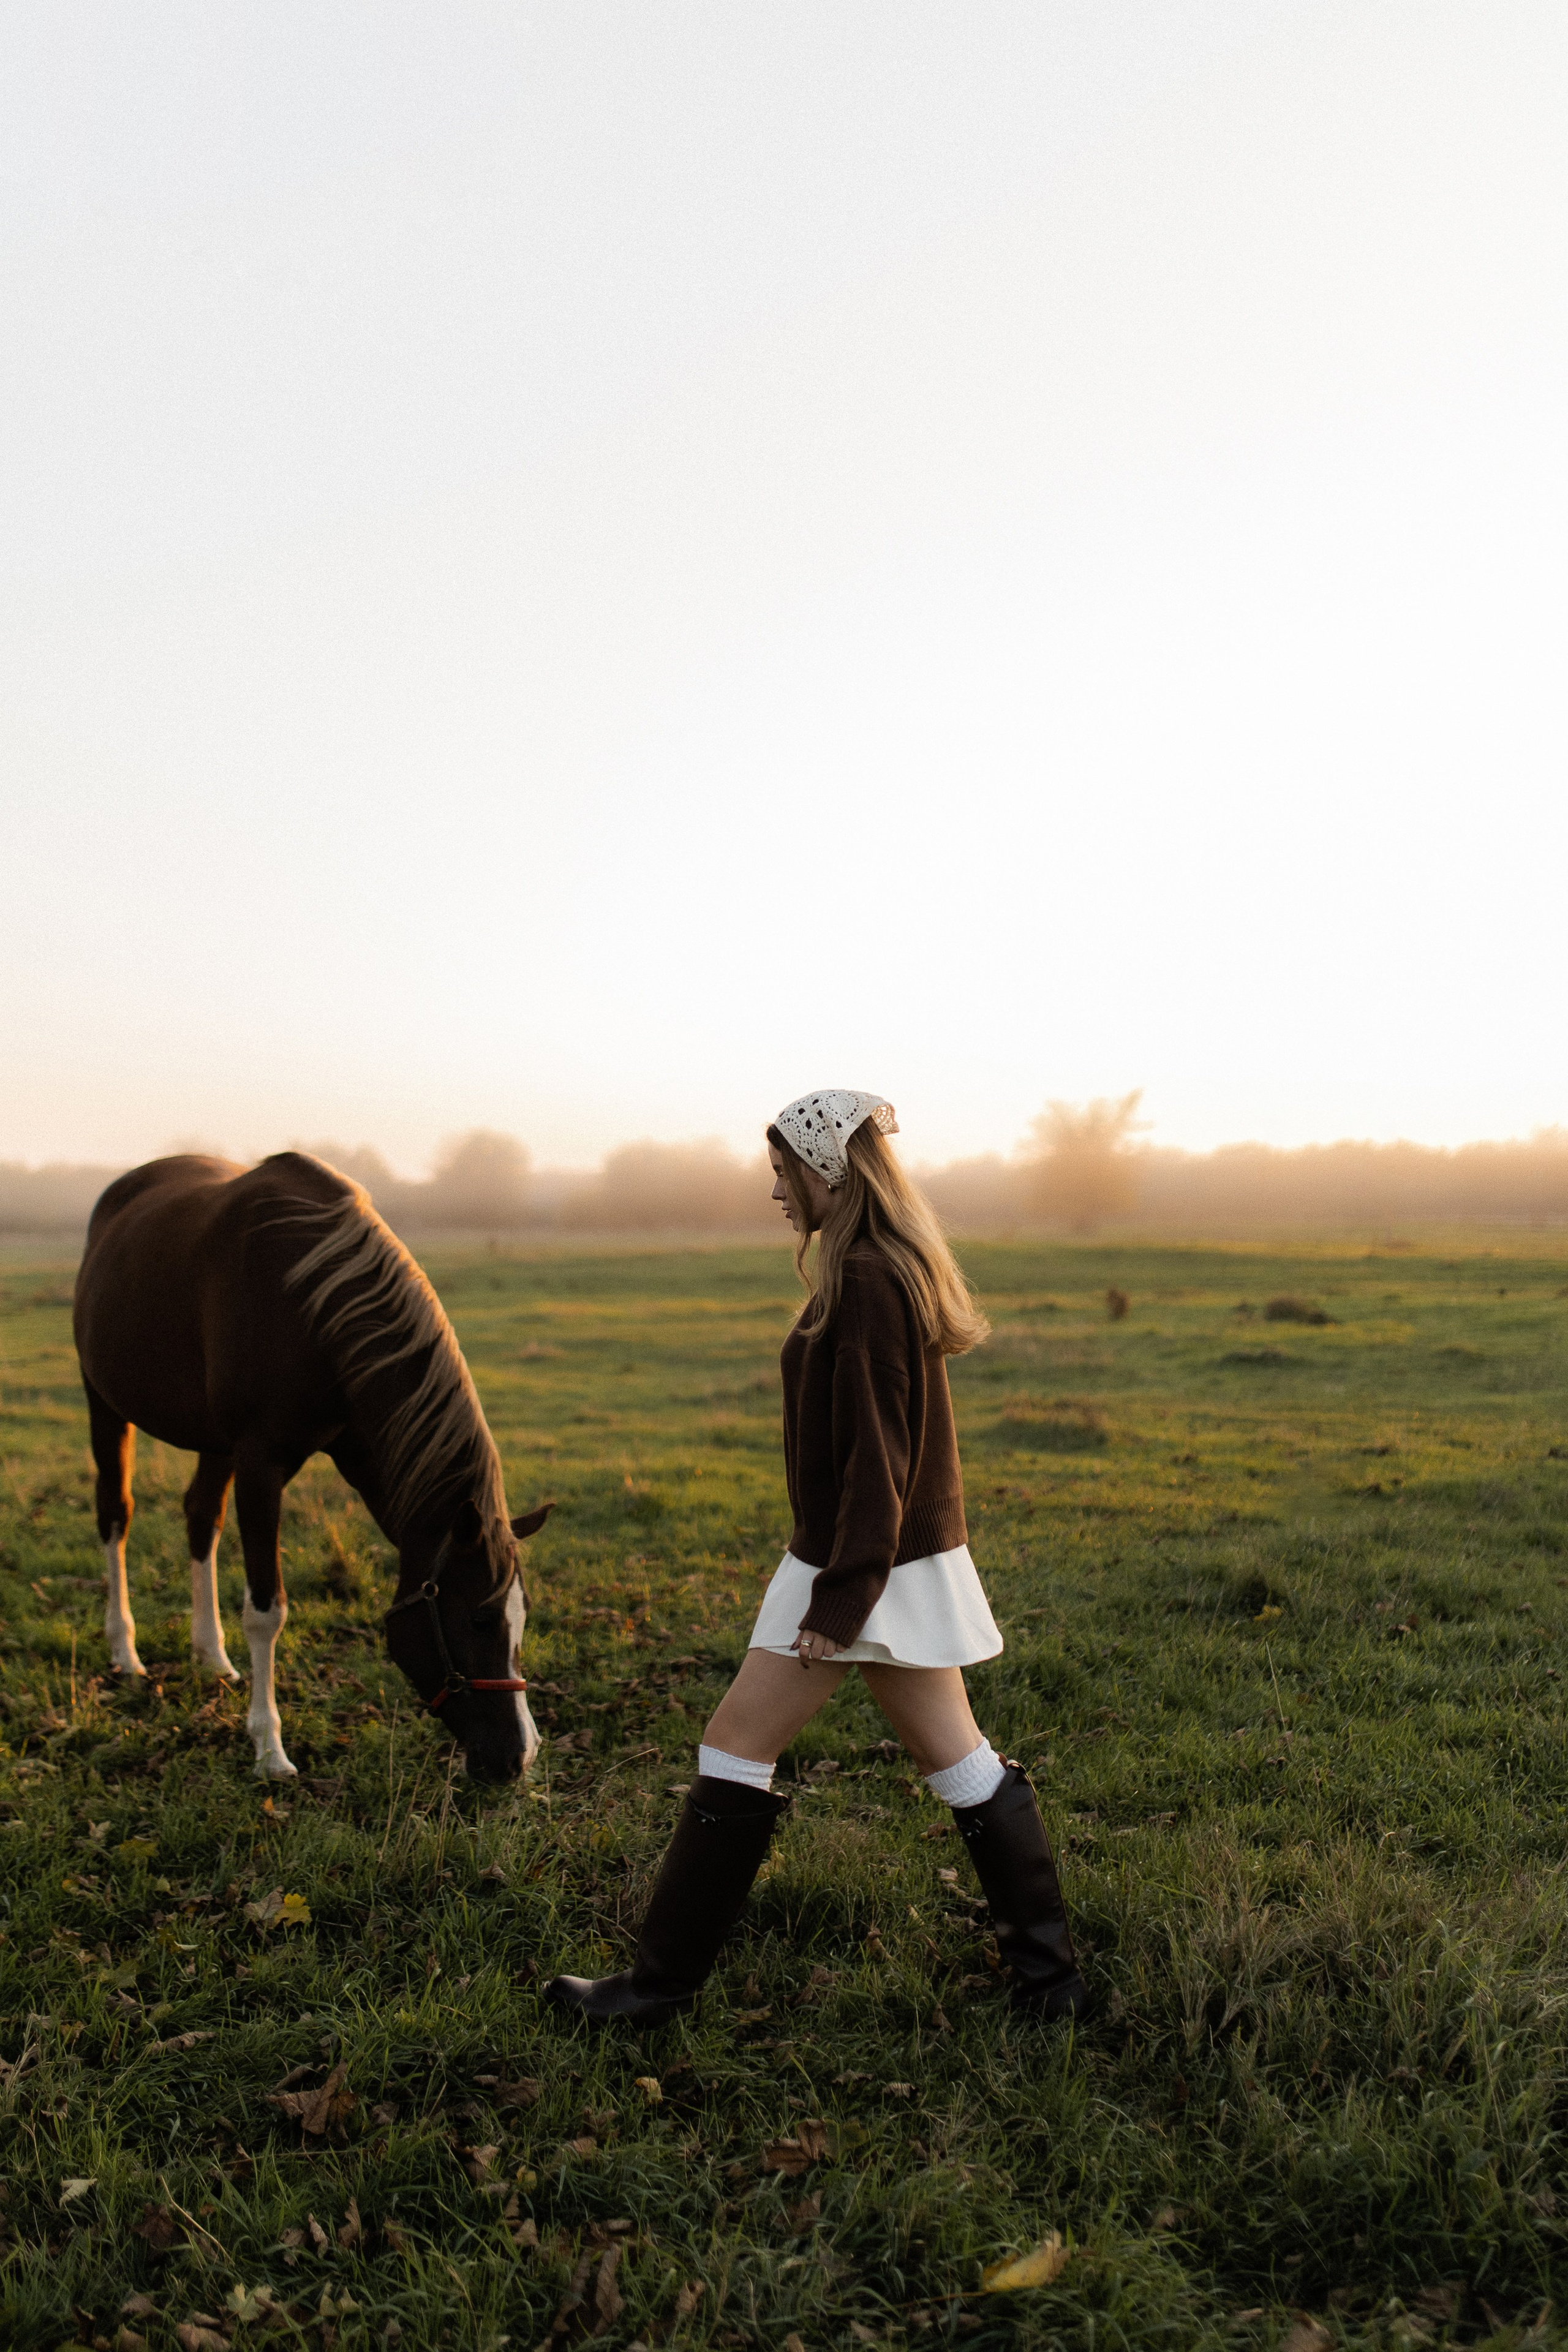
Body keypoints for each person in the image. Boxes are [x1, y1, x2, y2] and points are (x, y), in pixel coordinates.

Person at [544, 1089, 1089, 2027]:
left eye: (783, 1174)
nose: (776, 1194)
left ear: (828, 1171)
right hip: (881, 1562)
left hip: (860, 1564)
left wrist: (839, 1602)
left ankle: (657, 1991)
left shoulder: (870, 1279)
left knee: (736, 1745)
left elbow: (880, 1458)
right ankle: (1054, 1989)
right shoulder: (874, 1268)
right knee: (962, 1765)